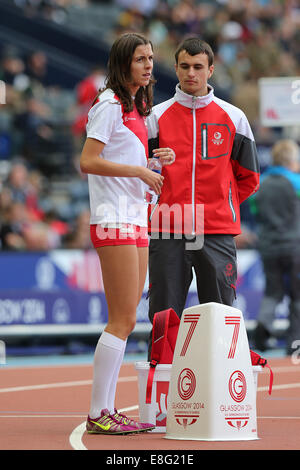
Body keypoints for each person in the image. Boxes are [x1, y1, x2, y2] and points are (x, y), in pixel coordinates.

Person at [80, 32, 174, 435]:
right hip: (113, 218)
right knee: (120, 320)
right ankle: (98, 411)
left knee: (126, 319)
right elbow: (88, 160)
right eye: (140, 59)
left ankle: (107, 408)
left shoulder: (136, 107)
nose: (149, 65)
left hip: (134, 218)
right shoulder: (109, 104)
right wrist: (139, 170)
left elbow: (121, 158)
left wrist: (152, 160)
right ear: (124, 63)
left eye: (151, 58)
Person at [146, 37, 260, 358]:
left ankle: (223, 398)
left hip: (217, 228)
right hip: (169, 228)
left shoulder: (234, 117)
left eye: (198, 67)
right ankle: (160, 400)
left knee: (222, 315)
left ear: (211, 70)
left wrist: (223, 204)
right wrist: (155, 166)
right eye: (184, 66)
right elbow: (141, 175)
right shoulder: (155, 117)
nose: (191, 73)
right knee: (163, 316)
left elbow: (249, 178)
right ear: (177, 68)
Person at [252, 139, 300, 355]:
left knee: (272, 291)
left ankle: (263, 331)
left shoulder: (260, 183)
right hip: (294, 246)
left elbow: (254, 211)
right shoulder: (296, 183)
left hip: (268, 246)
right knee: (297, 295)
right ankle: (294, 341)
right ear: (291, 160)